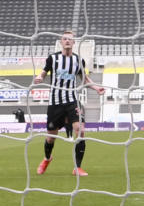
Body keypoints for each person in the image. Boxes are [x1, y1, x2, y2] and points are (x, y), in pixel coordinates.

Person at [33, 31, 105, 177]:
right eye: (65, 39)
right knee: (51, 137)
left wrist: (96, 87)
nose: (67, 41)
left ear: (73, 43)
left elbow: (84, 79)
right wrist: (39, 77)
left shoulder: (78, 60)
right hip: (55, 102)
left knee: (81, 129)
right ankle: (47, 158)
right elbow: (43, 72)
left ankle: (77, 167)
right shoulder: (53, 59)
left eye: (70, 39)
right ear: (61, 42)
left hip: (72, 100)